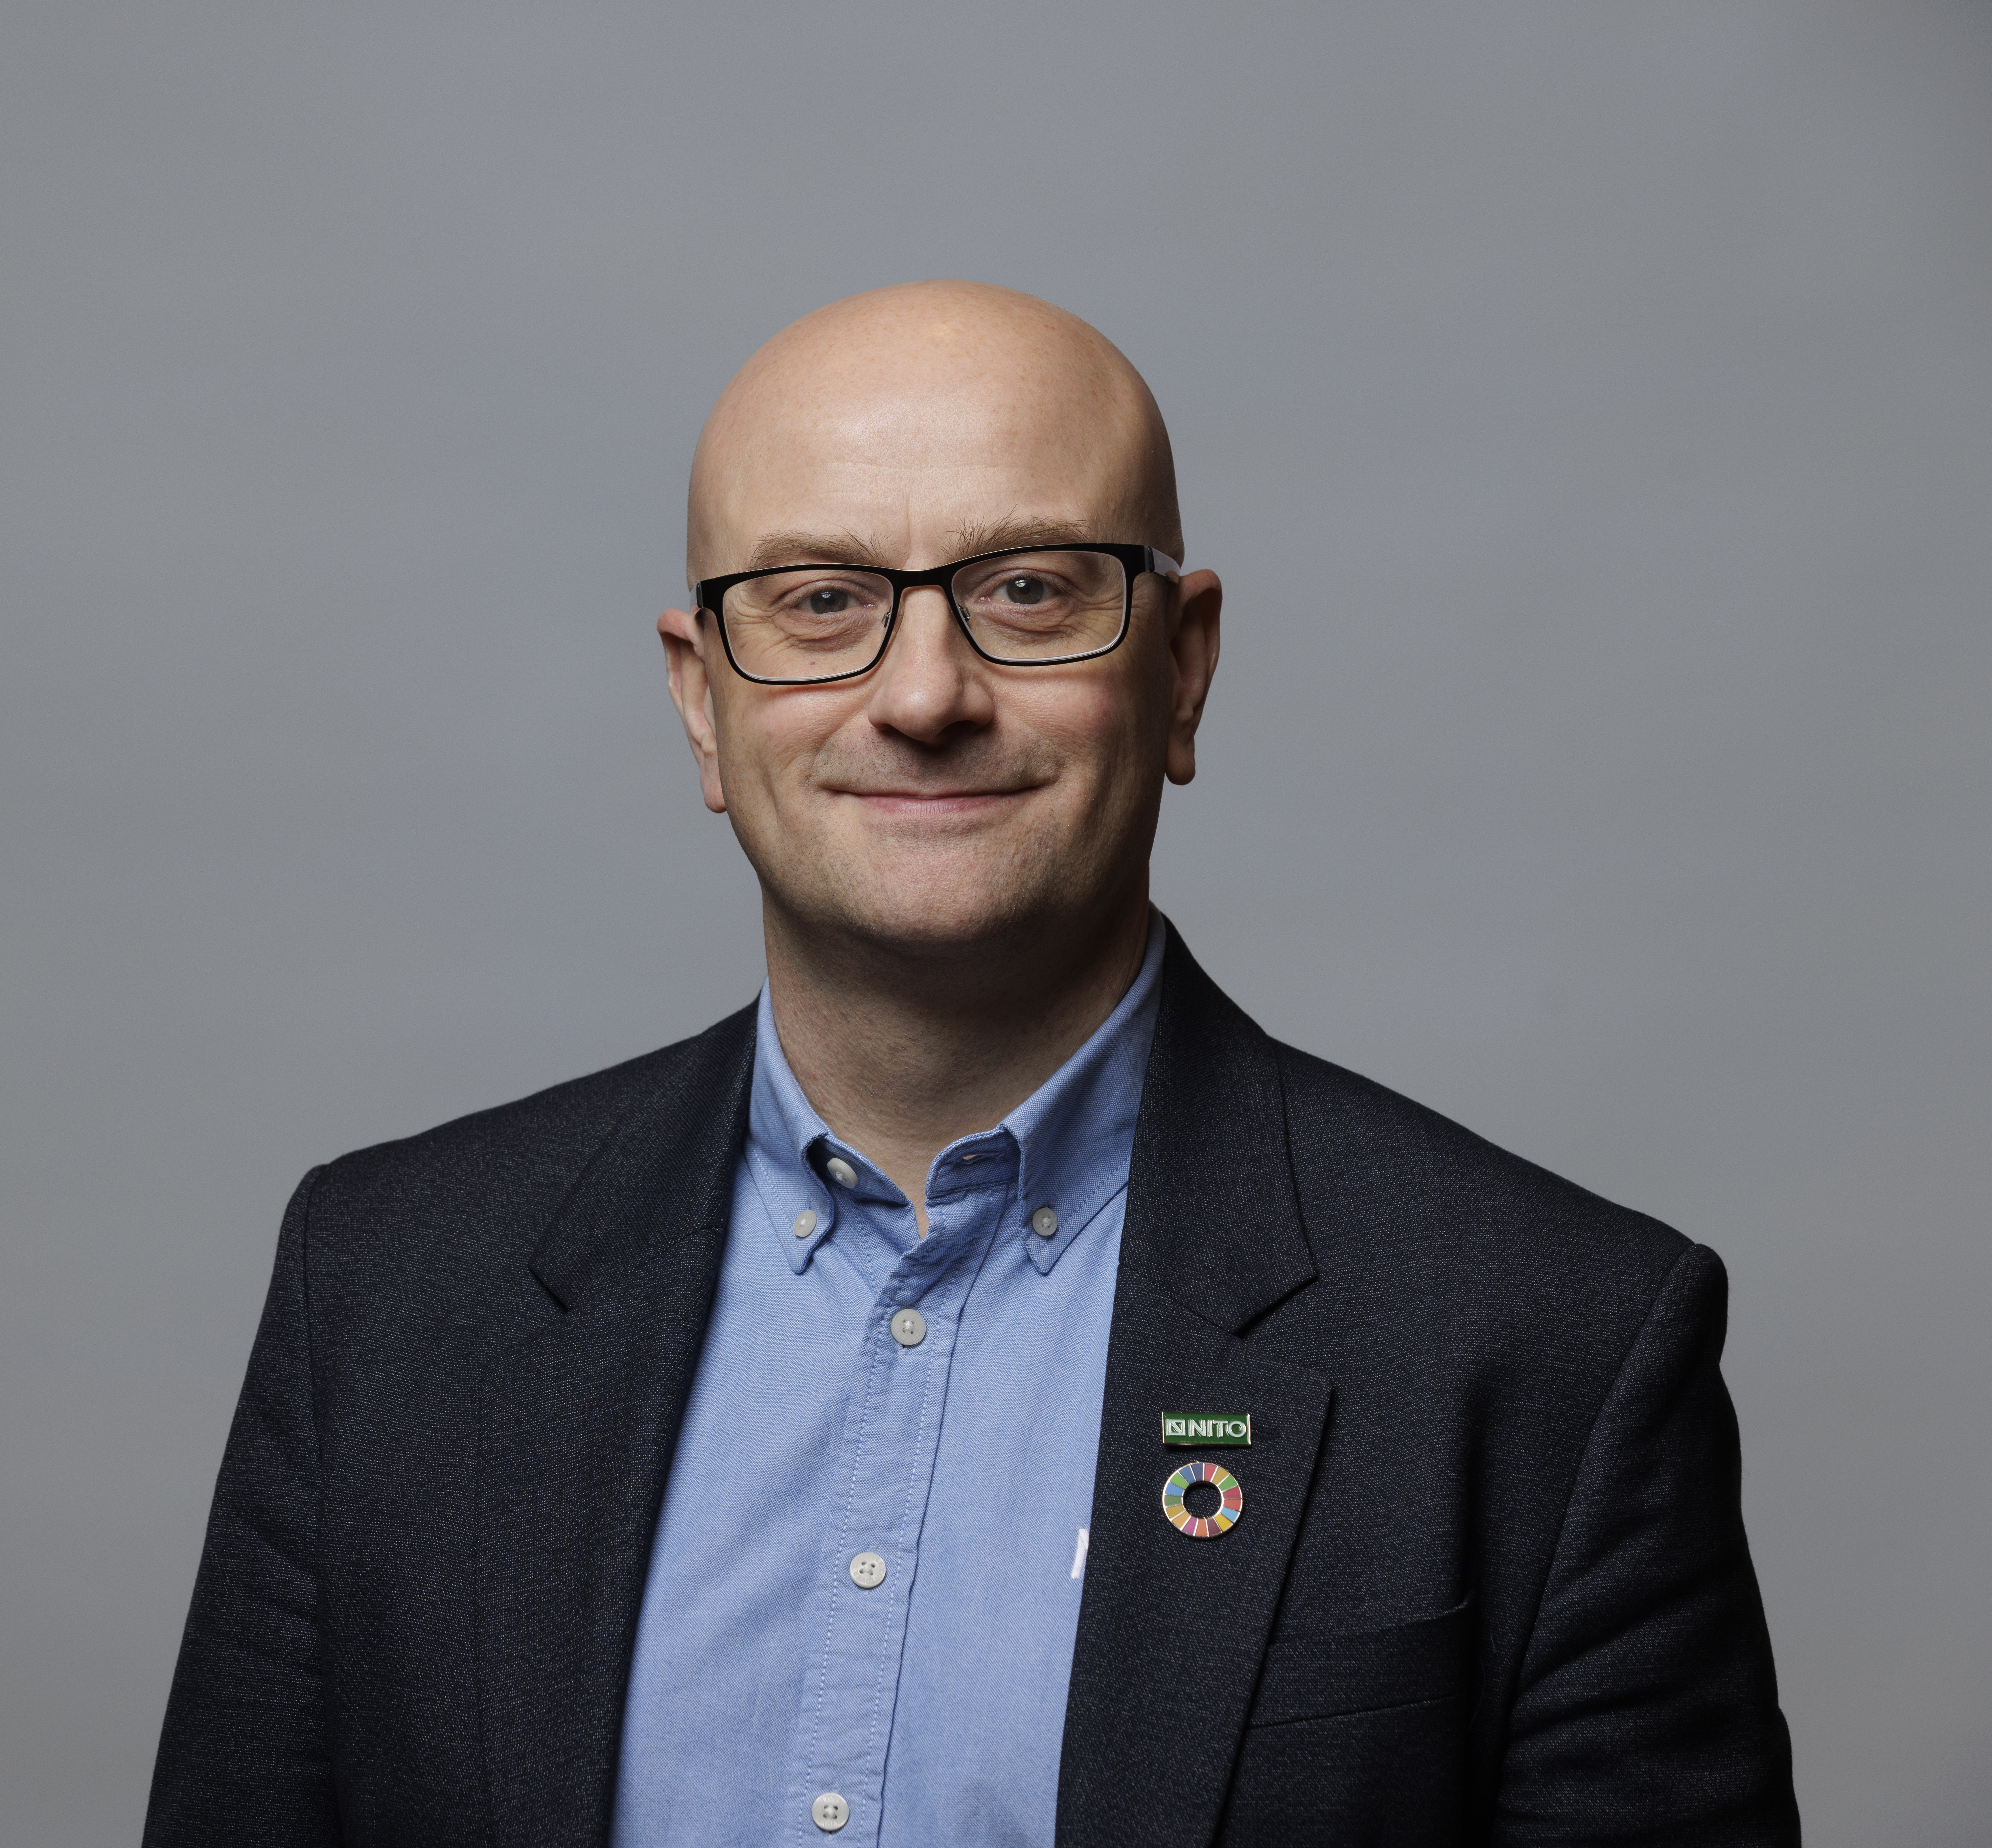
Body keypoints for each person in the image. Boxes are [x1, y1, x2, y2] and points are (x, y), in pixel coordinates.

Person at [142, 282, 1797, 1847]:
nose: (924, 695)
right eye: (819, 601)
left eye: (1029, 591)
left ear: (1182, 667)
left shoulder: (1546, 1343)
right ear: (701, 703)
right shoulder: (383, 1293)